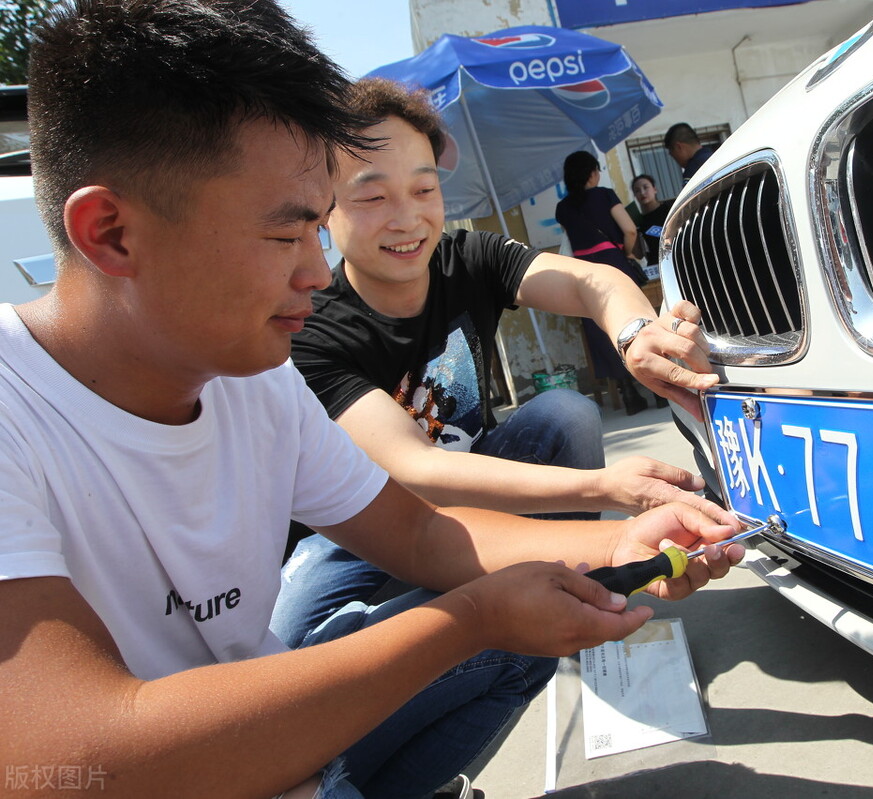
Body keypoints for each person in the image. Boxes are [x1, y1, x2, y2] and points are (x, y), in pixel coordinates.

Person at [0, 4, 743, 799]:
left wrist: (618, 543)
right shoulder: (22, 411)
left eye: (424, 189)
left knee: (538, 608)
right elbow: (71, 759)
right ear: (111, 233)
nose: (313, 275)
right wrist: (471, 618)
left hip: (281, 745)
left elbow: (420, 531)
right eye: (288, 236)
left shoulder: (256, 378)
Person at [276, 79, 727, 646]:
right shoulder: (313, 328)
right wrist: (608, 487)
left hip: (481, 481)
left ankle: (569, 590)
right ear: (323, 212)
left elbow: (592, 280)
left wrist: (636, 332)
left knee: (564, 414)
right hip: (366, 522)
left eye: (424, 189)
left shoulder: (467, 255)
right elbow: (417, 470)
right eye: (372, 197)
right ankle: (496, 609)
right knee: (297, 638)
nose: (407, 219)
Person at [554, 150, 658, 415]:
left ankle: (628, 393)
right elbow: (630, 229)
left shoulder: (563, 208)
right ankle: (659, 388)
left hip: (584, 273)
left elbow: (569, 243)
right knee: (636, 320)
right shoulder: (605, 194)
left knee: (601, 330)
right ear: (592, 173)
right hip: (614, 263)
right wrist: (626, 252)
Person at [631, 173, 674, 271]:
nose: (642, 193)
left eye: (645, 187)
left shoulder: (669, 209)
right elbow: (638, 254)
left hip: (676, 257)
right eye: (637, 191)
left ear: (655, 189)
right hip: (658, 266)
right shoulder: (638, 221)